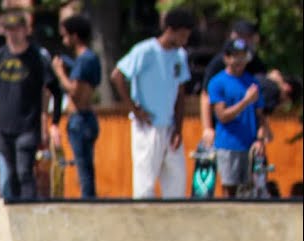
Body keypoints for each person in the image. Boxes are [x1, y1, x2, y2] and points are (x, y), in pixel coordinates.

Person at [0, 10, 62, 202]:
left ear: (25, 30)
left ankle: (27, 213)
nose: (13, 34)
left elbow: (55, 89)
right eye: (9, 30)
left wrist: (53, 121)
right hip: (4, 127)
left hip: (28, 126)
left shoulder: (37, 57)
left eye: (17, 29)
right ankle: (11, 220)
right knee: (9, 176)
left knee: (24, 171)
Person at [110, 8, 194, 199]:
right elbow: (117, 76)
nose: (185, 40)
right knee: (145, 186)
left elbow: (180, 92)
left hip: (170, 126)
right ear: (170, 30)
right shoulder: (145, 51)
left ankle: (172, 224)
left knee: (176, 183)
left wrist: (178, 129)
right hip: (148, 126)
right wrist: (134, 109)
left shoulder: (180, 56)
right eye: (182, 35)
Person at [208, 38, 270, 197]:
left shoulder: (252, 81)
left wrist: (260, 138)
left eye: (243, 56)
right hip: (228, 146)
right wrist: (246, 101)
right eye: (236, 56)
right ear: (226, 58)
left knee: (251, 191)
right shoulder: (217, 82)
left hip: (250, 146)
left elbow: (260, 115)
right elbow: (222, 116)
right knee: (230, 191)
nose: (240, 61)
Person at [52, 13, 102, 198]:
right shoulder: (91, 59)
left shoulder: (84, 59)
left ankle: (88, 204)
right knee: (86, 168)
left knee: (84, 170)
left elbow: (75, 90)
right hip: (88, 117)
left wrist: (59, 72)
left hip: (80, 118)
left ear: (75, 35)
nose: (64, 39)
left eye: (65, 35)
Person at [200, 19, 270, 149]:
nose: (245, 41)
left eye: (248, 37)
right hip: (223, 134)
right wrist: (207, 127)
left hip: (249, 135)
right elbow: (205, 95)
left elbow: (260, 104)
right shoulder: (219, 64)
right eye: (241, 36)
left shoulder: (257, 64)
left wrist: (263, 128)